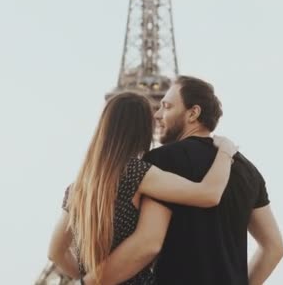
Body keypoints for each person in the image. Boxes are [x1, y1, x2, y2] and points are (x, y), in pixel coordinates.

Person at [82, 76, 283, 285]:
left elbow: (148, 243)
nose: (158, 115)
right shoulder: (247, 170)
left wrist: (88, 282)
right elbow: (275, 248)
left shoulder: (162, 160)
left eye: (167, 107)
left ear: (193, 113)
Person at [47, 91, 238, 284]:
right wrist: (225, 152)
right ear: (143, 130)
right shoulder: (136, 173)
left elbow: (55, 252)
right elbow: (209, 194)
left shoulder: (78, 187)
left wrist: (86, 279)